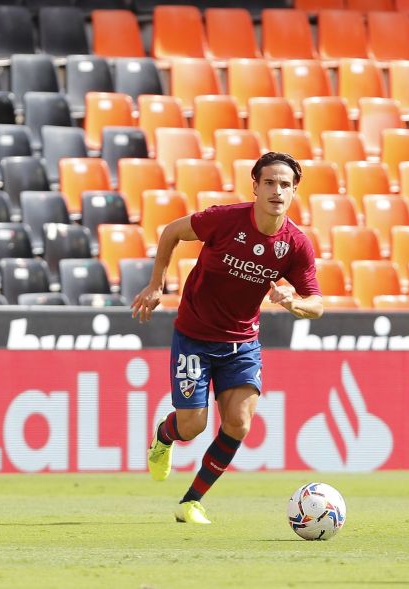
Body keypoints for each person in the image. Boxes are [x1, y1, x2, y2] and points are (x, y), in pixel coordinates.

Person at [130, 151, 324, 524]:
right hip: (195, 337)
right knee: (193, 426)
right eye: (269, 182)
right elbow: (171, 231)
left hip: (241, 344)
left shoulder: (296, 244)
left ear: (295, 191)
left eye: (285, 185)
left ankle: (191, 502)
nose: (277, 191)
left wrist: (294, 303)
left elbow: (317, 304)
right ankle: (164, 437)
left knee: (239, 422)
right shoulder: (224, 219)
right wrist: (157, 285)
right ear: (255, 186)